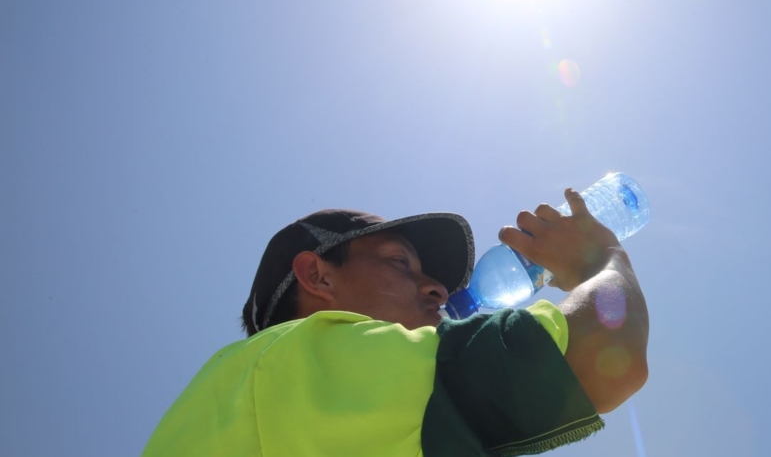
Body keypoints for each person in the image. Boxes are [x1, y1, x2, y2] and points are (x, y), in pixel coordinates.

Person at [142, 188, 650, 456]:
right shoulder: (316, 360)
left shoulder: (232, 395)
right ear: (316, 275)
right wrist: (601, 257)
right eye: (399, 263)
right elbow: (606, 358)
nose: (438, 290)